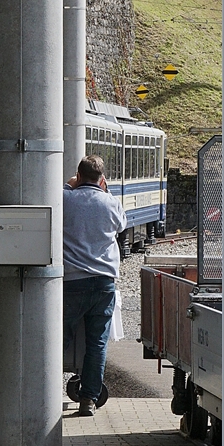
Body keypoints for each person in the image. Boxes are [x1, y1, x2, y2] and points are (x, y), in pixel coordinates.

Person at [63, 154, 126, 416]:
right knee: (97, 344)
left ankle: (40, 389)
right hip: (104, 284)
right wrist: (105, 191)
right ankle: (88, 399)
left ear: (78, 176)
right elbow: (121, 227)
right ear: (102, 179)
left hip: (71, 282)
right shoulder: (111, 202)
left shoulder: (65, 197)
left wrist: (69, 186)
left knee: (55, 338)